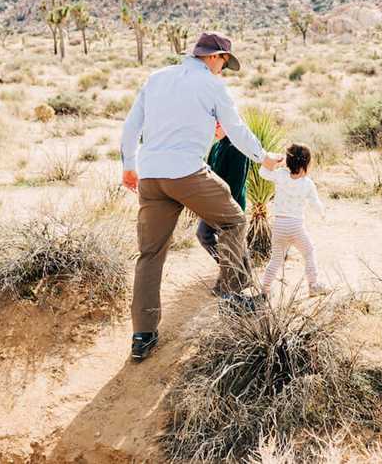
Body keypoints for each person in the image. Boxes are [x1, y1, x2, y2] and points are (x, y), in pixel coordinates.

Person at [120, 32, 283, 362]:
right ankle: (233, 294)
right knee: (233, 219)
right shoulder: (212, 85)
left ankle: (143, 334)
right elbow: (236, 130)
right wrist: (263, 157)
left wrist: (129, 166)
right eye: (224, 62)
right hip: (186, 172)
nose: (223, 69)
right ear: (215, 56)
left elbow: (130, 127)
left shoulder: (156, 78)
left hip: (151, 174)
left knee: (150, 253)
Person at [258, 143, 328, 295]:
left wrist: (276, 161)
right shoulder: (307, 184)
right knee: (308, 252)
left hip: (279, 225)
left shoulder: (280, 175)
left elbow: (262, 172)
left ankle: (265, 289)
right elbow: (315, 202)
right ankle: (313, 285)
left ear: (288, 162)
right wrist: (322, 213)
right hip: (296, 226)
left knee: (276, 259)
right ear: (307, 164)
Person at [196, 121, 249, 263]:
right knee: (203, 234)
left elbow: (237, 183)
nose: (214, 129)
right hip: (212, 203)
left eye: (217, 125)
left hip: (231, 204)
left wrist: (228, 206)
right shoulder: (215, 147)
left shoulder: (238, 149)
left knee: (233, 243)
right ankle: (229, 266)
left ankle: (237, 273)